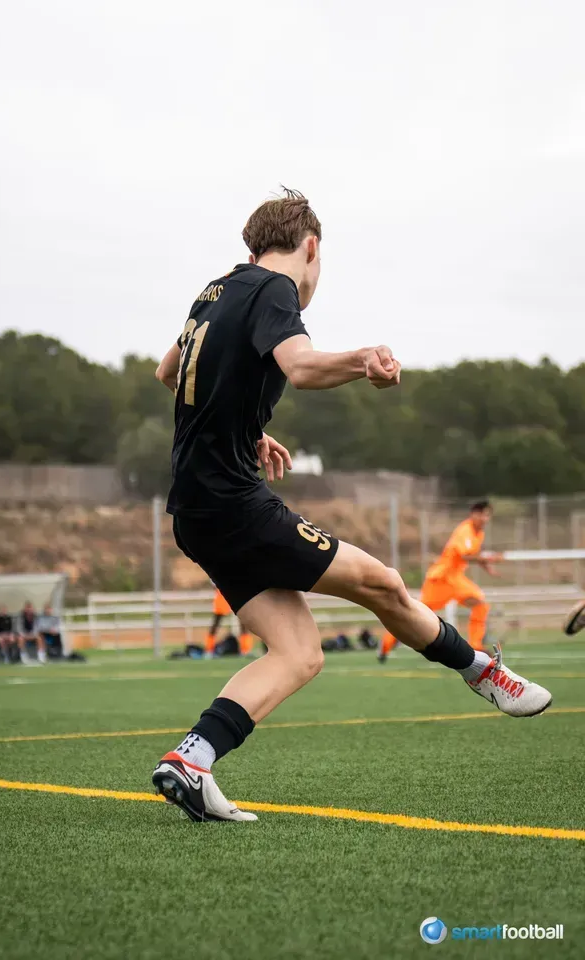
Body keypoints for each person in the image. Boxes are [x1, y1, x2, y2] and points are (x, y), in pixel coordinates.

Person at [151, 189, 552, 823]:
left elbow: (170, 370)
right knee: (383, 583)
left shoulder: (214, 291)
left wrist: (244, 429)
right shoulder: (274, 290)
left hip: (196, 513)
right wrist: (364, 359)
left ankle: (191, 759)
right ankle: (481, 671)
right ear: (310, 248)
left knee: (299, 653)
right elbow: (303, 367)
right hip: (235, 505)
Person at [379, 501, 501, 661]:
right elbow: (465, 555)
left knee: (480, 604)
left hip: (456, 579)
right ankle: (386, 645)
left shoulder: (479, 533)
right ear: (474, 514)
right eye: (483, 514)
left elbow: (473, 555)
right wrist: (488, 558)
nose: (485, 518)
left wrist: (488, 567)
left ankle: (476, 646)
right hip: (441, 579)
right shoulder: (464, 530)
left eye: (487, 515)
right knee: (413, 613)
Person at [205, 588, 253, 657]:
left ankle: (245, 649)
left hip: (239, 591)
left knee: (243, 622)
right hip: (224, 591)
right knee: (216, 623)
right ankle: (209, 649)